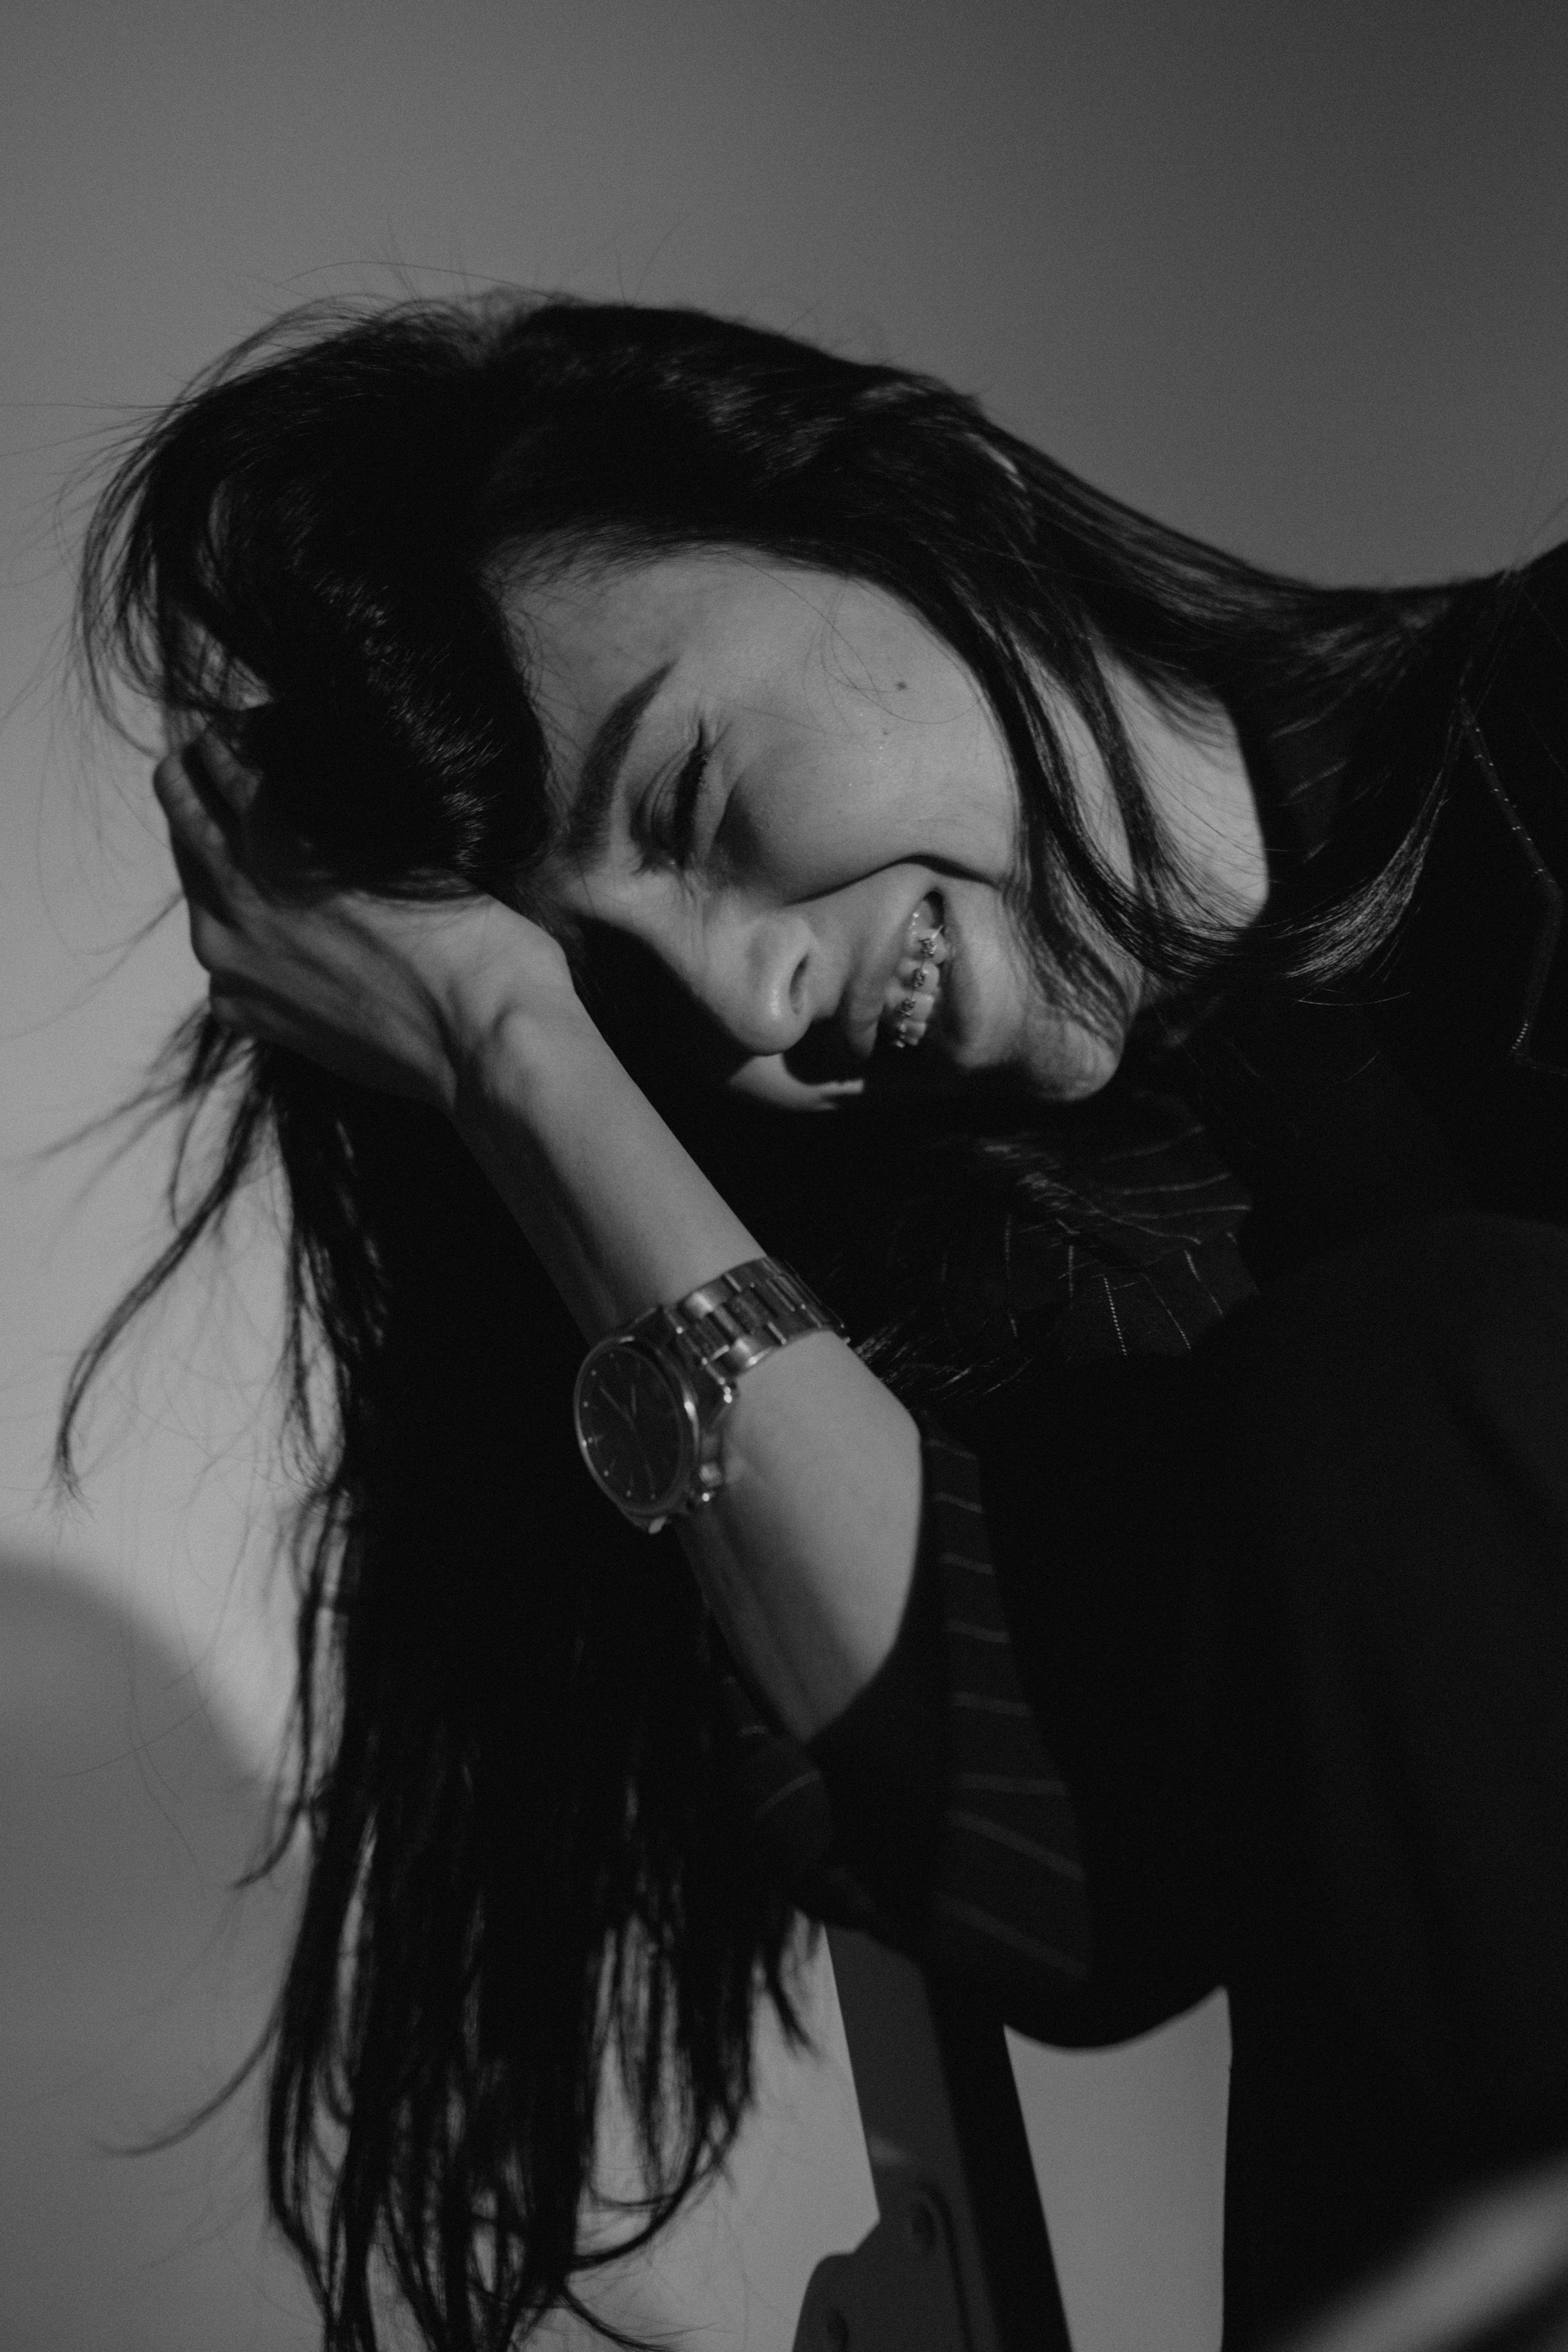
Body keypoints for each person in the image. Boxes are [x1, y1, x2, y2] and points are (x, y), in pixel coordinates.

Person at [60, 293, 1566, 2352]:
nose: (744, 1008)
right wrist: (518, 1064)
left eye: (686, 797)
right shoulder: (976, 1324)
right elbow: (1061, 1881)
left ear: (916, 515)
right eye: (620, 997)